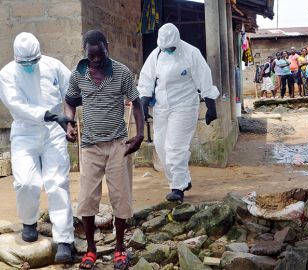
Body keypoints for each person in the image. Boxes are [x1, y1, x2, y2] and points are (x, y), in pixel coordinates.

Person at [64, 30, 145, 269]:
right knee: (87, 200)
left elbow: (137, 103)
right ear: (85, 53)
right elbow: (69, 101)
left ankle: (120, 248)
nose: (96, 60)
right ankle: (91, 249)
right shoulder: (78, 74)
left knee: (121, 198)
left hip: (118, 144)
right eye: (92, 56)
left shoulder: (121, 73)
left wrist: (139, 135)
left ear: (106, 48)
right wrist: (68, 123)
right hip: (90, 146)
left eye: (100, 55)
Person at [0, 32, 74, 262]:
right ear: (16, 59)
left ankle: (64, 240)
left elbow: (71, 90)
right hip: (25, 132)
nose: (30, 66)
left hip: (54, 133)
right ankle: (29, 222)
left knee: (57, 183)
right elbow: (16, 105)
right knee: (25, 182)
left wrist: (69, 118)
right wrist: (50, 115)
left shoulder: (53, 66)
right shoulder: (7, 73)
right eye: (26, 63)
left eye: (34, 61)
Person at [138, 23, 219, 202]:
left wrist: (211, 107)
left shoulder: (191, 53)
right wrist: (143, 104)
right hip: (161, 107)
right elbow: (146, 80)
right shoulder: (156, 54)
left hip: (184, 106)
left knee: (175, 147)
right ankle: (183, 179)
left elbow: (204, 80)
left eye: (171, 48)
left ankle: (177, 187)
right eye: (165, 48)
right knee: (160, 146)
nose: (168, 50)